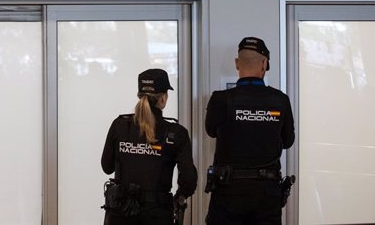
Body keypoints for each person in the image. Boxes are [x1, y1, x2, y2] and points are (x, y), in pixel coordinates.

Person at [205, 37, 295, 225]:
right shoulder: (280, 100)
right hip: (266, 194)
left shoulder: (220, 99)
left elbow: (210, 131)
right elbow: (288, 141)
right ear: (264, 64)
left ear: (237, 63)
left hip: (227, 191)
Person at [101, 68, 197, 225]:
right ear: (163, 99)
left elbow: (107, 167)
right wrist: (177, 198)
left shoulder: (119, 125)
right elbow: (188, 180)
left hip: (120, 214)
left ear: (139, 96)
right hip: (157, 215)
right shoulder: (176, 132)